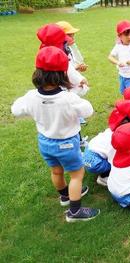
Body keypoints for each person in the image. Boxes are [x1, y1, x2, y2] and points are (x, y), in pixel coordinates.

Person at [11, 46, 99, 222]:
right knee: (76, 175)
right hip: (66, 143)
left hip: (45, 142)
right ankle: (75, 212)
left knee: (56, 171)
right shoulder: (68, 99)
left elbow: (16, 110)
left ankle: (65, 196)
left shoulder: (30, 97)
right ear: (63, 74)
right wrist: (78, 92)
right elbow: (88, 110)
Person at [83, 99, 130, 187]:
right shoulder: (117, 142)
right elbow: (116, 160)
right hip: (94, 162)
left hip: (91, 150)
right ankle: (104, 177)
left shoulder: (118, 131)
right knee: (121, 163)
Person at [108, 20, 130, 95]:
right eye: (126, 35)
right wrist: (118, 62)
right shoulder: (118, 46)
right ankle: (126, 105)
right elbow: (110, 57)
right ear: (120, 36)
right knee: (124, 93)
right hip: (122, 76)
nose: (129, 37)